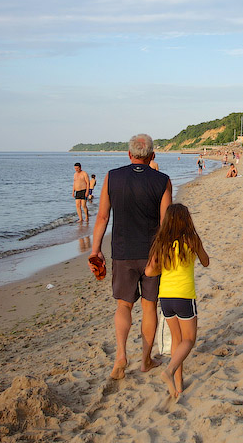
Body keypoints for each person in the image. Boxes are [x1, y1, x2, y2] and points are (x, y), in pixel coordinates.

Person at [90, 134, 173, 379]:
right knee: (149, 307)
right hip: (152, 255)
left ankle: (120, 356)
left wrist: (95, 250)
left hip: (123, 253)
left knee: (123, 306)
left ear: (129, 154)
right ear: (152, 156)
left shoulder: (112, 177)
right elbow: (166, 222)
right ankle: (145, 360)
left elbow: (102, 217)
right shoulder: (162, 181)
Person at [144, 204, 210, 399]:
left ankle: (178, 385)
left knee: (177, 339)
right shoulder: (191, 239)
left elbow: (149, 271)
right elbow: (206, 261)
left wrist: (163, 268)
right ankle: (169, 371)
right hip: (184, 296)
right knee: (189, 339)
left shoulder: (161, 242)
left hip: (165, 297)